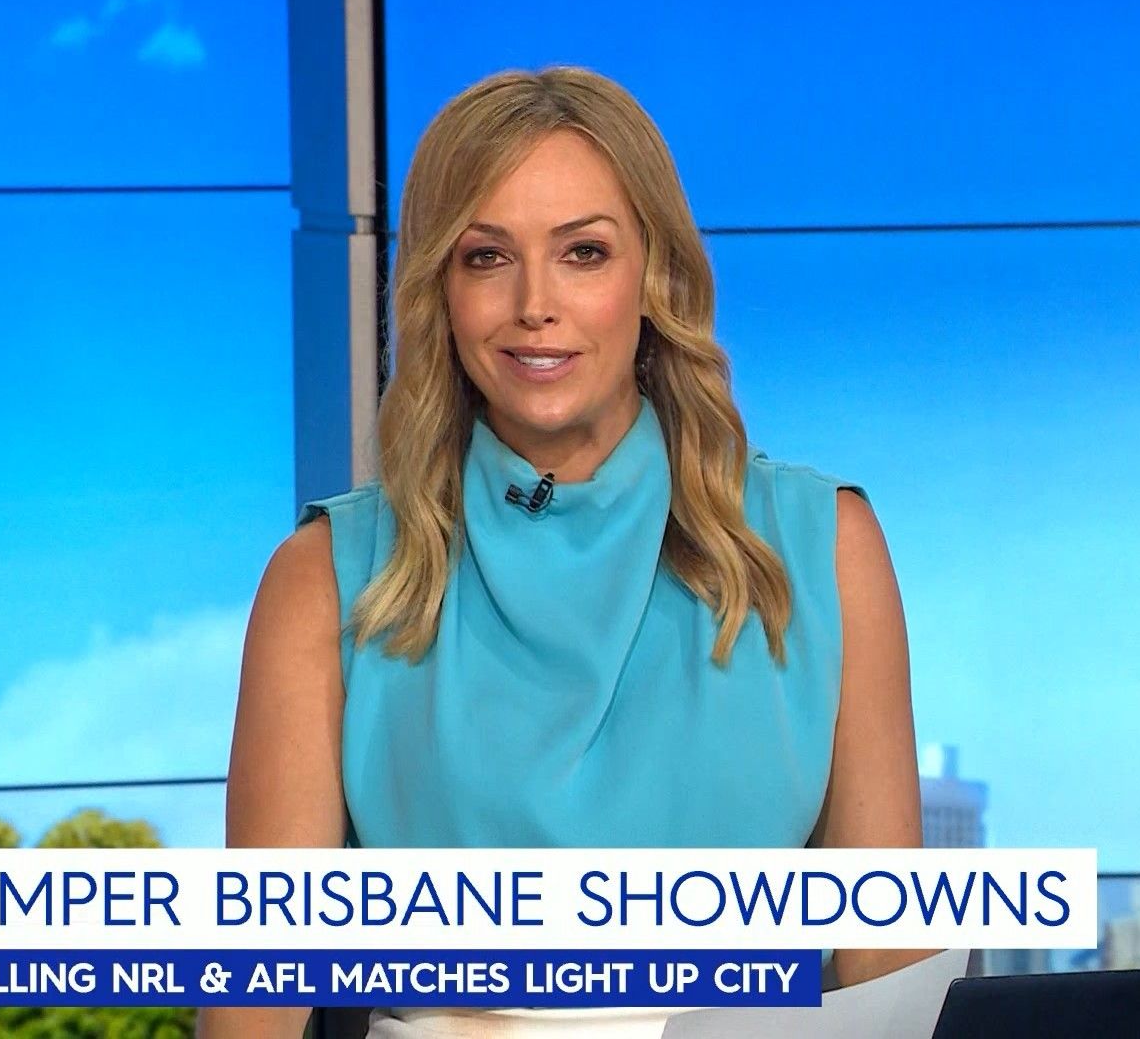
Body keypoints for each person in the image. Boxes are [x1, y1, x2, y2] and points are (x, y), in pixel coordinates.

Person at [201, 65, 928, 1039]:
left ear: (653, 277)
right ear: (440, 290)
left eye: (584, 252)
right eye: (487, 257)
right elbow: (254, 1005)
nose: (534, 304)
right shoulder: (328, 578)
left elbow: (889, 976)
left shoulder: (821, 547)